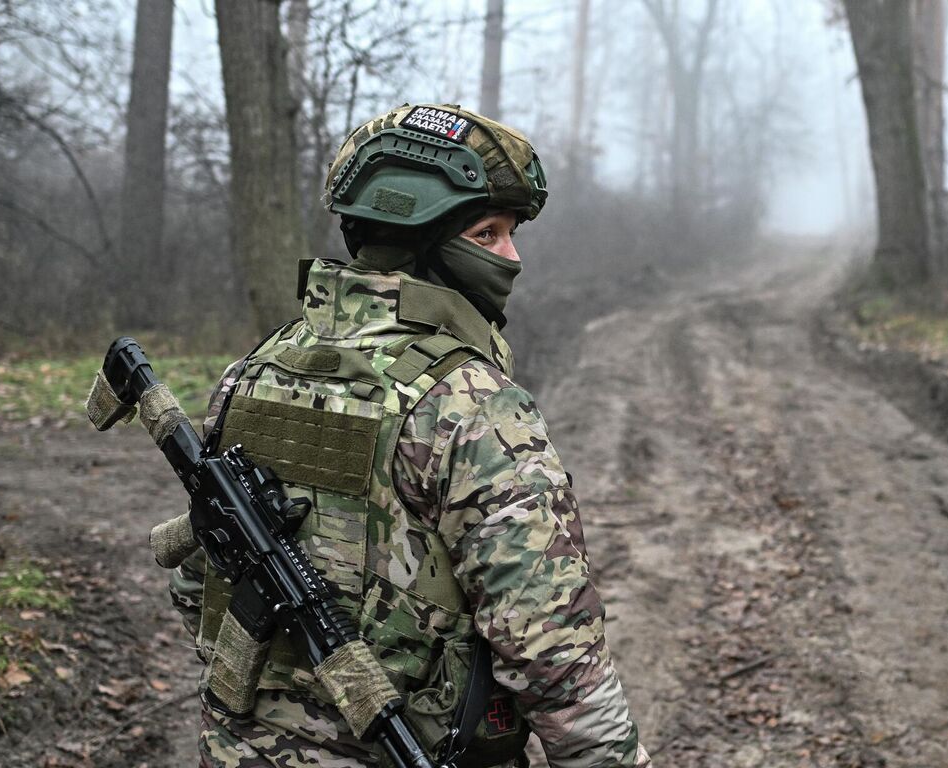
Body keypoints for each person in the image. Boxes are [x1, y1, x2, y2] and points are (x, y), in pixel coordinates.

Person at [169, 103, 652, 768]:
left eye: (511, 234)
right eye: (487, 234)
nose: (512, 257)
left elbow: (197, 587)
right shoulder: (470, 404)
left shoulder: (252, 372)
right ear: (419, 237)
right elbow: (555, 658)